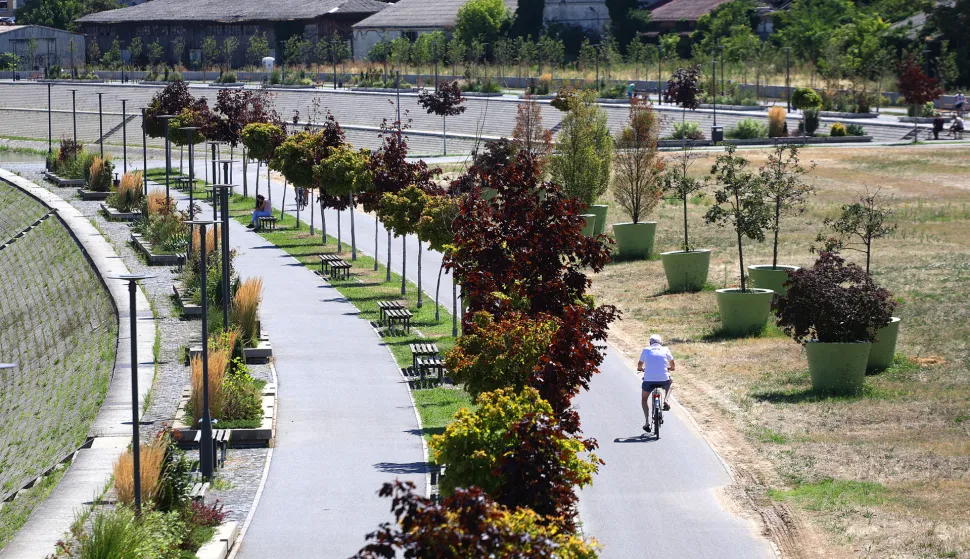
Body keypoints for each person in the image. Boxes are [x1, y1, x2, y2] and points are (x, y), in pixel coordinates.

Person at [637, 334, 675, 433]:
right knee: (670, 384)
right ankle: (666, 400)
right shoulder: (665, 349)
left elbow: (640, 364)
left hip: (649, 380)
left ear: (650, 343)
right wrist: (671, 368)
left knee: (644, 399)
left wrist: (640, 369)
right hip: (663, 379)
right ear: (660, 343)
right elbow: (672, 362)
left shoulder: (646, 350)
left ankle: (647, 422)